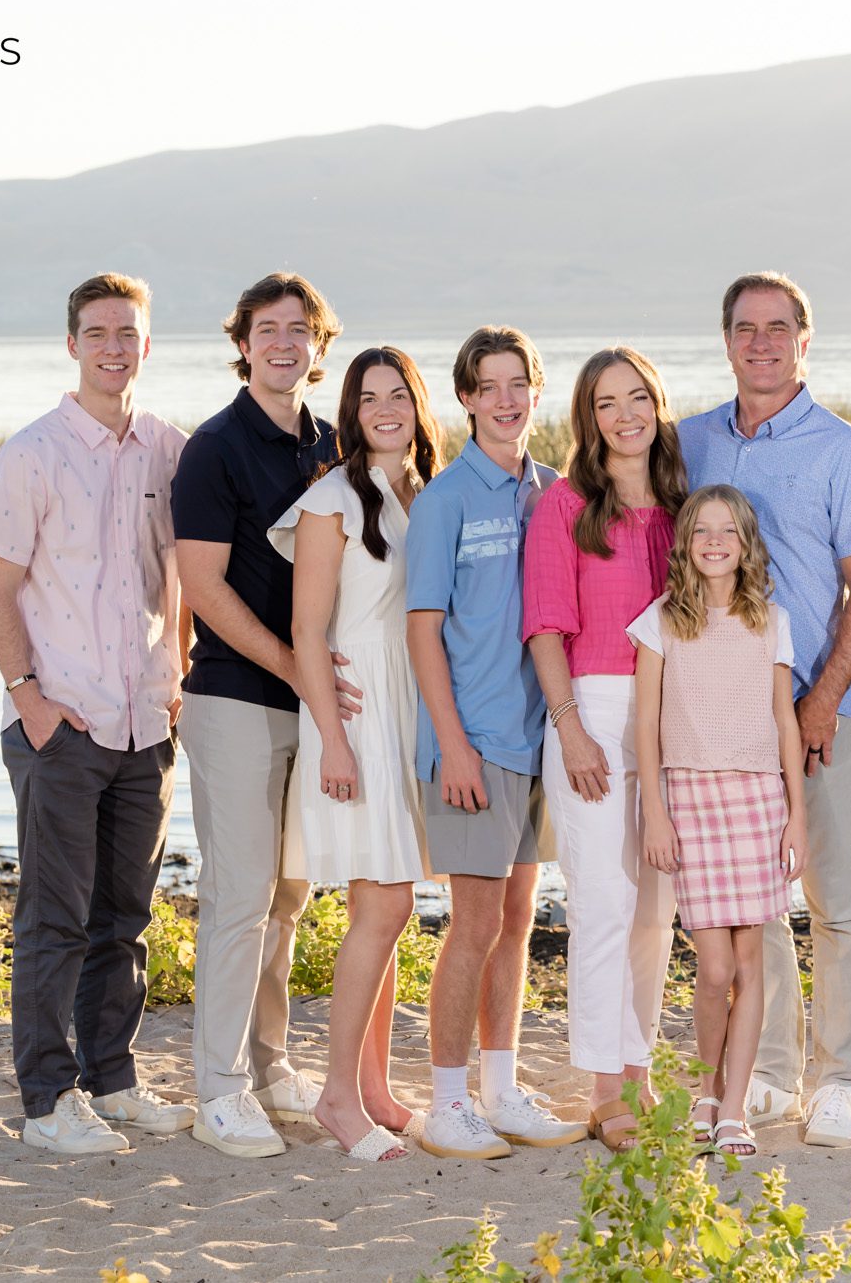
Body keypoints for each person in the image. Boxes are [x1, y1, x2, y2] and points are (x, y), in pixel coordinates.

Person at [0, 272, 195, 1153]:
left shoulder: (169, 451)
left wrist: (178, 668)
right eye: (98, 332)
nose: (114, 347)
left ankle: (113, 1077)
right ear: (72, 345)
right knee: (54, 918)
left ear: (147, 345)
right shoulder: (28, 454)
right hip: (60, 723)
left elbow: (183, 570)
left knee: (127, 917)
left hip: (145, 721)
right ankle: (47, 1101)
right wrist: (30, 701)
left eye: (128, 333)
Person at [677, 272, 851, 1148]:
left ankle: (838, 1076)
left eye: (778, 328)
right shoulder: (688, 441)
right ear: (725, 340)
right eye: (744, 328)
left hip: (816, 708)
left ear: (806, 340)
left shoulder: (847, 452)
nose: (760, 342)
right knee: (749, 903)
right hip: (719, 722)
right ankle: (767, 1070)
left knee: (834, 897)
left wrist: (821, 701)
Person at [172, 272, 350, 1158]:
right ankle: (220, 1090)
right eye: (267, 329)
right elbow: (202, 586)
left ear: (320, 345)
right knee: (239, 897)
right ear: (242, 342)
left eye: (300, 329)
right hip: (237, 700)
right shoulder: (213, 447)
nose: (284, 343)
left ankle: (271, 1063)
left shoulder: (334, 444)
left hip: (309, 706)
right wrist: (293, 666)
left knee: (288, 894)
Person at [405, 326, 585, 1159]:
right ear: (467, 398)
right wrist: (453, 743)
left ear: (535, 394)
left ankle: (501, 1088)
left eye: (520, 384)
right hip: (473, 741)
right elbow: (422, 630)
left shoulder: (554, 493)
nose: (507, 399)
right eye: (490, 386)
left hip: (535, 738)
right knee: (473, 921)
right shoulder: (445, 500)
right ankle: (448, 1100)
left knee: (518, 917)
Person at [268, 346, 444, 1162]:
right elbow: (307, 631)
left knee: (391, 904)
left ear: (416, 404)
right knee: (383, 906)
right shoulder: (331, 499)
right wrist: (332, 738)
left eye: (397, 394)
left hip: (412, 707)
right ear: (350, 408)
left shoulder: (421, 492)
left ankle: (373, 1086)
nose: (384, 407)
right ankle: (339, 1094)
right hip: (358, 713)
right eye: (368, 395)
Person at [523, 347, 686, 1152]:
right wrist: (571, 726)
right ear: (588, 417)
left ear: (657, 404)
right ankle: (604, 1085)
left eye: (638, 398)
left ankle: (640, 1065)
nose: (626, 415)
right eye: (607, 403)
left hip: (672, 720)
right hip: (591, 707)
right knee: (601, 902)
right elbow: (546, 625)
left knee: (657, 908)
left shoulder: (686, 506)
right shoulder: (566, 504)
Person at [632, 485, 807, 1159]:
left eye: (726, 531)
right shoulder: (660, 622)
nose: (713, 540)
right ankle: (706, 1087)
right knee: (712, 965)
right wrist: (655, 812)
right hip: (691, 800)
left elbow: (786, 722)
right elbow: (645, 722)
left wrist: (796, 817)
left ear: (745, 543)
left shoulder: (772, 620)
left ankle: (733, 1106)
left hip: (758, 799)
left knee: (750, 958)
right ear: (685, 543)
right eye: (701, 530)